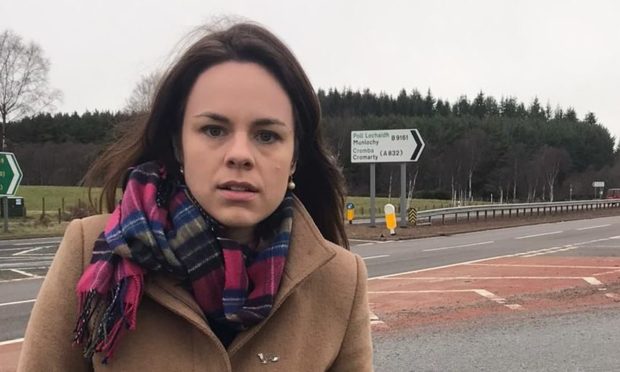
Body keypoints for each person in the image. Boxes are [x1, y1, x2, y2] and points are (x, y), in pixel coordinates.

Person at [17, 22, 372, 371]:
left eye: (267, 136)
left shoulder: (341, 281)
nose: (240, 154)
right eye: (213, 130)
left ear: (294, 157)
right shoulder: (94, 250)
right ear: (178, 145)